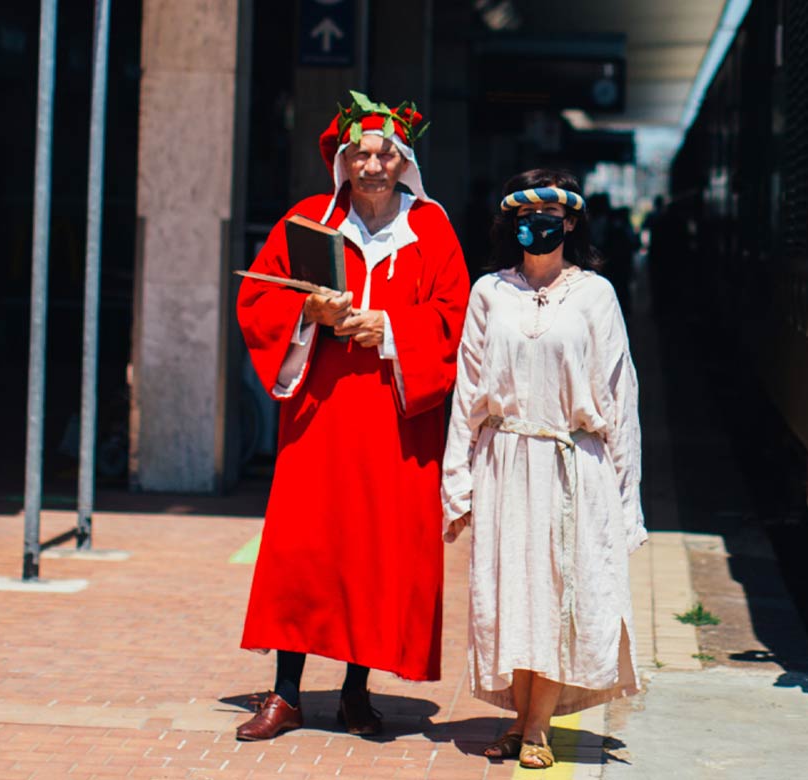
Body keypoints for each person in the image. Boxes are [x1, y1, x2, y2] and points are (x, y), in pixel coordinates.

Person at [232, 91, 470, 741]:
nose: (372, 164)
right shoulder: (308, 221)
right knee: (303, 550)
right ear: (343, 159)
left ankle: (355, 692)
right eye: (360, 153)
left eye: (384, 153)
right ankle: (284, 695)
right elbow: (258, 297)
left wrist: (386, 327)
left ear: (403, 161)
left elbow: (454, 320)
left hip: (395, 419)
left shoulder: (433, 230)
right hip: (321, 413)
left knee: (376, 549)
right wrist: (309, 315)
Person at [442, 169, 646, 770]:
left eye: (552, 216)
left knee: (561, 591)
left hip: (571, 465)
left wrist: (624, 492)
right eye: (526, 218)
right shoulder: (489, 293)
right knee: (513, 594)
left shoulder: (595, 295)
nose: (539, 227)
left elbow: (619, 397)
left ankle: (535, 728)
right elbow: (467, 393)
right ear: (510, 224)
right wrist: (459, 482)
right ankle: (519, 718)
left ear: (572, 222)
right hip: (505, 462)